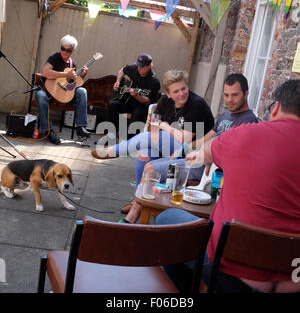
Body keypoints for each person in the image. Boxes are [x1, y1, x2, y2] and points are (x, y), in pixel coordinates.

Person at [157, 79, 300, 293]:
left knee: (167, 220)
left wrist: (209, 158)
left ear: (276, 108)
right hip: (293, 280)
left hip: (231, 274)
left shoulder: (244, 134)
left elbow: (206, 151)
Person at [121, 73, 258, 222]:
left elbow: (236, 156)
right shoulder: (225, 116)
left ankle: (132, 217)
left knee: (150, 169)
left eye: (235, 95)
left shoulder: (249, 121)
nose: (229, 100)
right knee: (148, 163)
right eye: (226, 95)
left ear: (246, 94)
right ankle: (141, 207)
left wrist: (203, 155)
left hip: (210, 170)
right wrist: (183, 149)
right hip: (195, 159)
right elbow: (203, 140)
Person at [92, 69, 214, 186]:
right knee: (145, 154)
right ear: (168, 94)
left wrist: (164, 125)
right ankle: (139, 201)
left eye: (184, 88)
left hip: (193, 151)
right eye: (176, 91)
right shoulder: (165, 101)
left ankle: (116, 151)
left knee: (158, 137)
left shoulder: (197, 104)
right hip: (168, 146)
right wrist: (154, 126)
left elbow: (184, 139)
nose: (181, 94)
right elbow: (154, 132)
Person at [35, 34, 90, 145]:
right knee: (40, 95)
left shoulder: (72, 64)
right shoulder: (55, 57)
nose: (64, 52)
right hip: (49, 93)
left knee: (82, 91)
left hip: (63, 94)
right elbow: (45, 72)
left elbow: (71, 85)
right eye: (62, 49)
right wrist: (66, 74)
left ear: (73, 50)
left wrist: (82, 75)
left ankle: (81, 127)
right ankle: (48, 131)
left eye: (68, 50)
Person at [99, 53, 161, 143]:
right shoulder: (134, 68)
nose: (139, 68)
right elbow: (122, 71)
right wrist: (118, 81)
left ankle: (130, 142)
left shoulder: (154, 81)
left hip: (141, 104)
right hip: (128, 100)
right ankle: (110, 136)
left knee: (138, 114)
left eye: (142, 66)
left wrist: (136, 95)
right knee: (113, 105)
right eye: (138, 65)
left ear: (149, 66)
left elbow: (147, 101)